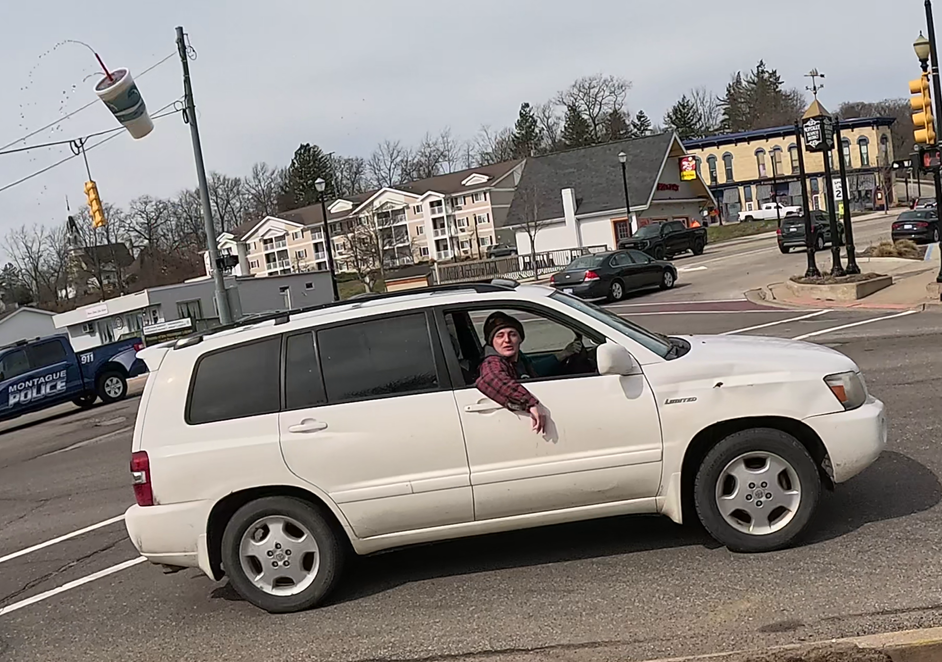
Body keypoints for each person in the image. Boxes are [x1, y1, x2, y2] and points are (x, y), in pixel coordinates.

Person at [474, 312, 582, 434]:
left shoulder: (518, 359)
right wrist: (529, 403)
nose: (507, 340)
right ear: (491, 342)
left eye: (512, 334)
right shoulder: (493, 361)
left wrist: (563, 354)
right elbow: (491, 378)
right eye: (500, 336)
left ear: (520, 339)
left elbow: (534, 370)